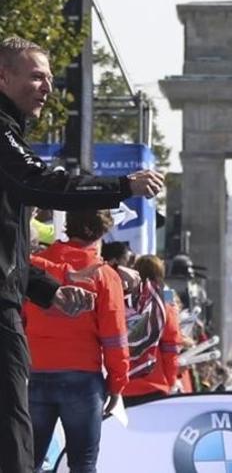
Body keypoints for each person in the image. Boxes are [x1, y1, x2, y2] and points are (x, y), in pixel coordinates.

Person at [0, 36, 163, 473]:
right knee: (17, 434)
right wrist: (121, 187)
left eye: (50, 78)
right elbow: (40, 184)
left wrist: (47, 290)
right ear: (3, 76)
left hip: (19, 318)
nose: (47, 87)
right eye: (36, 76)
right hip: (27, 337)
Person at [24, 209, 129, 472]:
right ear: (102, 232)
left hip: (35, 373)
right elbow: (114, 337)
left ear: (68, 227)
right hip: (83, 381)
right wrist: (117, 384)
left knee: (26, 463)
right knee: (83, 464)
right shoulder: (105, 275)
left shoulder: (35, 266)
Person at [123, 255, 182, 407]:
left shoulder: (122, 302)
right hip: (154, 386)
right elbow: (171, 347)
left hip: (122, 386)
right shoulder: (165, 304)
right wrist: (171, 381)